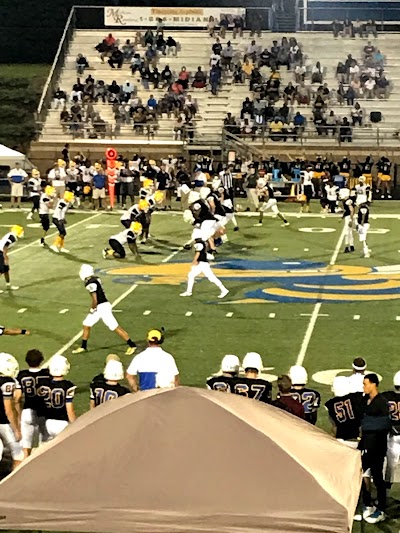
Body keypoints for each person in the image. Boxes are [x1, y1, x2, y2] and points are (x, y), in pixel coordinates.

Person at [72, 264, 137, 355]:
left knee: (114, 326)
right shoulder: (95, 279)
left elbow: (95, 299)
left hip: (102, 307)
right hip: (100, 306)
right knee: (86, 324)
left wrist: (92, 309)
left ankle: (132, 345)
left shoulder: (90, 283)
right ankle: (83, 346)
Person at [357, 374, 391, 524]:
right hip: (366, 445)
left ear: (374, 384)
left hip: (377, 446)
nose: (364, 386)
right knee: (361, 474)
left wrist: (366, 425)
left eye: (366, 384)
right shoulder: (365, 400)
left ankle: (382, 509)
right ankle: (367, 504)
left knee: (377, 478)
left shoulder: (382, 402)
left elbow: (384, 425)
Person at [14, 349, 50, 458]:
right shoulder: (47, 374)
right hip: (43, 411)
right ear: (41, 359)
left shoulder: (21, 375)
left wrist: (18, 414)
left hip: (27, 411)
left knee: (26, 445)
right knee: (44, 444)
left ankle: (24, 469)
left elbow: (18, 398)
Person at [180, 227, 229, 299]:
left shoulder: (199, 243)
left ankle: (224, 290)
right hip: (202, 262)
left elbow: (198, 253)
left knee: (210, 277)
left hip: (202, 263)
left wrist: (195, 261)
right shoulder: (201, 242)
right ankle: (189, 291)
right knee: (192, 275)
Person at [39, 355, 76, 441]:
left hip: (48, 423)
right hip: (62, 423)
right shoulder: (68, 386)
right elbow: (69, 409)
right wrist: (75, 424)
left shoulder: (45, 384)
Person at [325, 376, 363, 448]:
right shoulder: (356, 398)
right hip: (356, 439)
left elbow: (334, 427)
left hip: (340, 440)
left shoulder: (330, 404)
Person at [0, 353, 23, 470]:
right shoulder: (7, 382)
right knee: (19, 453)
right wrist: (16, 429)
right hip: (3, 422)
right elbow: (8, 409)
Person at [0, 225, 24, 292]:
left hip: (2, 252)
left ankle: (8, 285)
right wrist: (5, 257)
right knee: (1, 270)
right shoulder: (12, 237)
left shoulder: (12, 235)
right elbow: (5, 247)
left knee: (6, 269)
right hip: (0, 252)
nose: (22, 232)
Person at [339, 187, 355, 253]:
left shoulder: (348, 201)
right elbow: (347, 211)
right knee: (350, 232)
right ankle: (351, 246)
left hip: (349, 218)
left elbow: (352, 210)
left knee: (346, 232)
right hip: (348, 217)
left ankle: (346, 247)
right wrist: (342, 217)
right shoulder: (346, 201)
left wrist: (351, 219)